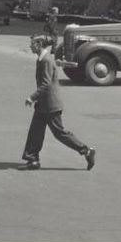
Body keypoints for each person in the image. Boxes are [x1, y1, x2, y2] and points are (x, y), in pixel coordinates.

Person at [20, 34, 96, 171]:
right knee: (35, 131)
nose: (30, 46)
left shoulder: (46, 60)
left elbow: (46, 84)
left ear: (38, 45)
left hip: (50, 104)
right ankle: (33, 159)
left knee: (59, 133)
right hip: (44, 104)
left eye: (32, 44)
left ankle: (86, 150)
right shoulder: (43, 58)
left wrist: (32, 97)